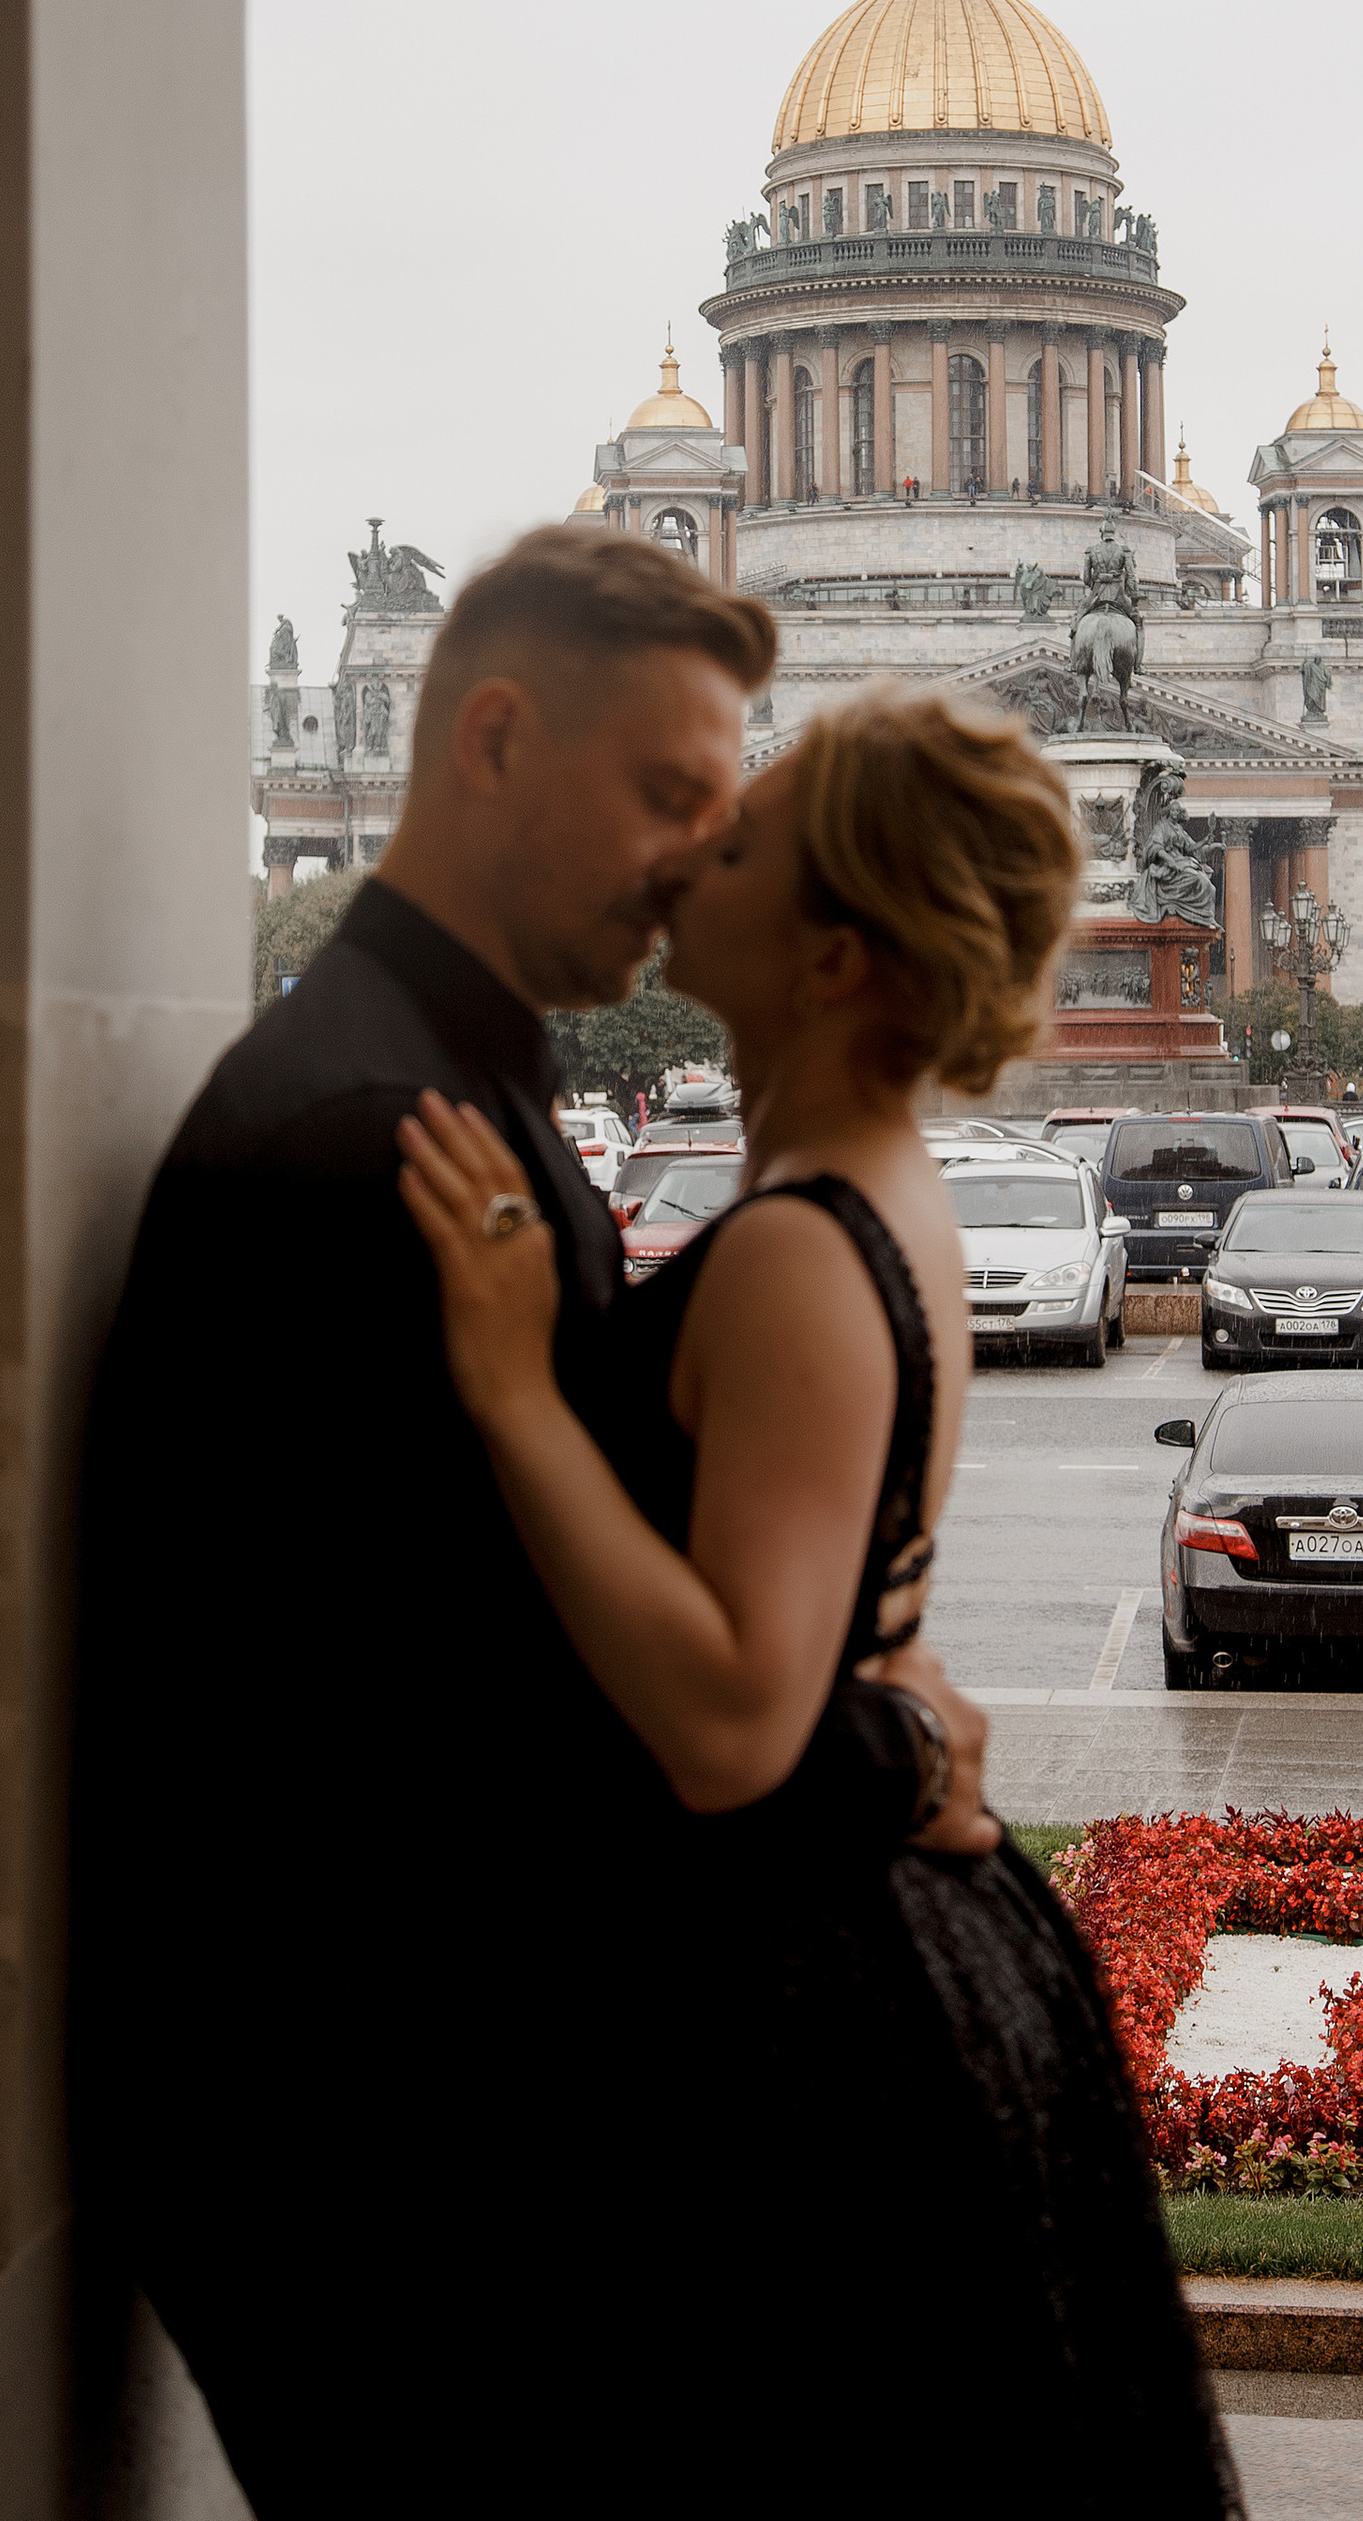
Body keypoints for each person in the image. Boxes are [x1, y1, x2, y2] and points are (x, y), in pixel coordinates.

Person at [73, 530, 995, 2510]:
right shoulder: (372, 1136)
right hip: (384, 2155)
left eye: (723, 816)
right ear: (493, 740)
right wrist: (887, 1743)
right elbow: (498, 1719)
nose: (693, 857)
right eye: (668, 793)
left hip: (426, 2113)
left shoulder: (444, 1086)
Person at [401, 682, 1241, 2514]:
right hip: (887, 1938)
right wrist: (897, 1705)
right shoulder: (877, 1191)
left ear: (837, 954)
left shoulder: (795, 1247)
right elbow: (861, 1604)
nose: (693, 850)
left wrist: (514, 1386)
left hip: (794, 1993)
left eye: (744, 847)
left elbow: (727, 1724)